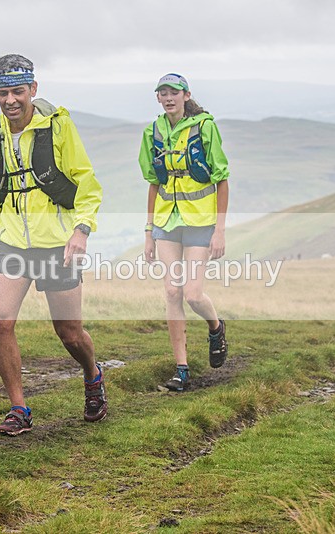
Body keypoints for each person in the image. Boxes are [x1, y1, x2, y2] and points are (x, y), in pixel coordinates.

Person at [0, 54, 106, 435]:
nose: (10, 101)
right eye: (3, 92)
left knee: (69, 332)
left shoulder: (59, 127)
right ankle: (19, 410)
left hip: (58, 244)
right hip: (12, 243)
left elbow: (87, 185)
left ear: (33, 89)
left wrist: (81, 231)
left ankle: (92, 375)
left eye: (18, 91)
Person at [138, 73, 230, 392]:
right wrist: (149, 232)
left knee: (192, 294)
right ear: (158, 98)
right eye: (162, 93)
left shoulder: (205, 127)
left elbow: (222, 179)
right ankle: (182, 369)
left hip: (200, 222)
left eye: (174, 92)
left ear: (186, 95)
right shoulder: (153, 131)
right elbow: (154, 183)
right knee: (172, 292)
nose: (168, 97)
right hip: (166, 222)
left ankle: (215, 326)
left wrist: (220, 229)